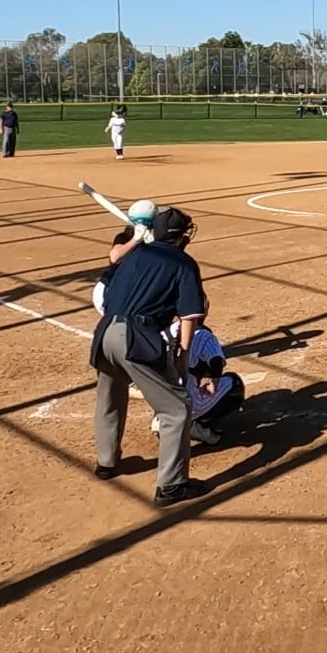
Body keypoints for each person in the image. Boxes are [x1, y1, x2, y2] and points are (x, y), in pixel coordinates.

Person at [89, 206, 211, 506]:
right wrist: (182, 355)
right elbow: (189, 316)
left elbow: (108, 292)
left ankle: (106, 463)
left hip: (104, 331)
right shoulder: (183, 262)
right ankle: (171, 486)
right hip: (135, 335)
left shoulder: (134, 254)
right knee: (177, 409)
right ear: (182, 237)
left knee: (110, 395)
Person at [91, 199, 159, 315]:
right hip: (109, 291)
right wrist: (135, 240)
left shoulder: (156, 238)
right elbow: (115, 258)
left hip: (134, 292)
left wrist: (155, 244)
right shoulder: (124, 237)